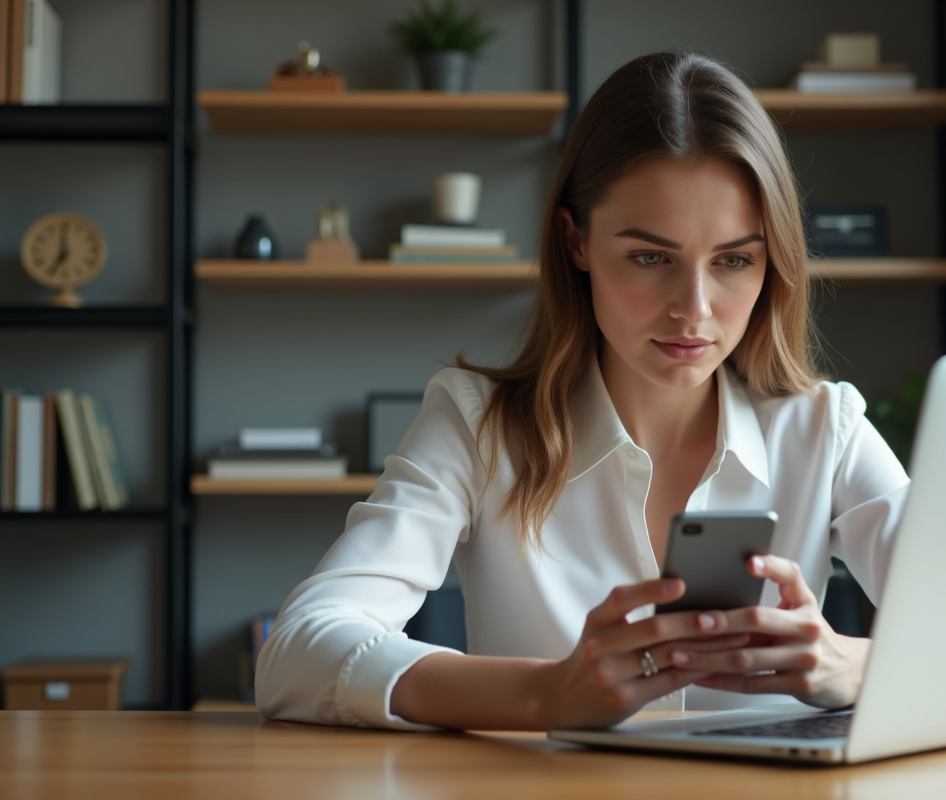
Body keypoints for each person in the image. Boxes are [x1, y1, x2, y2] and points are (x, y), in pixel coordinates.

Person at [256, 51, 909, 732]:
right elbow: (296, 651)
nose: (695, 309)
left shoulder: (825, 430)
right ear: (576, 242)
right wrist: (545, 694)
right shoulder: (477, 424)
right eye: (650, 258)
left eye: (734, 260)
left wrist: (853, 665)